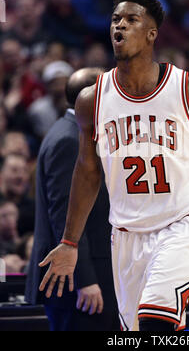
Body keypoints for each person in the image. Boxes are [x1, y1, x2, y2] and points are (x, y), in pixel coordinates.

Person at [39, 0, 189, 332]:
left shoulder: (186, 91)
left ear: (151, 33)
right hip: (126, 235)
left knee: (156, 320)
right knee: (138, 333)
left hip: (182, 224)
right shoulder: (92, 100)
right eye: (115, 20)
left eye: (131, 20)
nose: (119, 26)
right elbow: (87, 172)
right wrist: (69, 241)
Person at [26, 67, 119, 331]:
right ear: (92, 99)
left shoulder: (74, 133)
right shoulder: (68, 140)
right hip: (78, 285)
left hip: (85, 279)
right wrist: (84, 280)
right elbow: (65, 216)